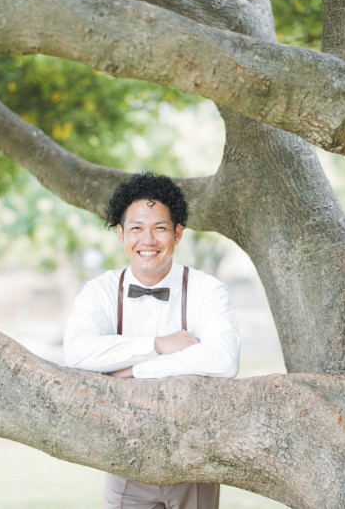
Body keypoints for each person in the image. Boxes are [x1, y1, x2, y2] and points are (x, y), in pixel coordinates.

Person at [64, 172, 240, 509]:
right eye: (136, 228)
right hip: (125, 463)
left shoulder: (208, 290)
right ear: (120, 234)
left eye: (160, 228)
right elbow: (76, 353)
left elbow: (224, 359)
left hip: (196, 460)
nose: (148, 239)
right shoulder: (98, 292)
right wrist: (158, 345)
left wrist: (131, 371)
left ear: (177, 234)